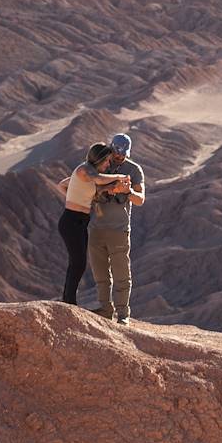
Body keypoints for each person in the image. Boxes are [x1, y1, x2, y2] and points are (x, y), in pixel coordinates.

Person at [55, 143, 129, 307]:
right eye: (107, 161)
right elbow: (98, 180)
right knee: (78, 262)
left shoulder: (88, 174)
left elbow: (65, 185)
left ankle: (68, 300)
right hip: (71, 221)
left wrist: (112, 187)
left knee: (78, 262)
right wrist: (119, 177)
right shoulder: (83, 170)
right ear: (100, 158)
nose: (108, 164)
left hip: (80, 222)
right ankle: (68, 302)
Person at [87, 132, 145, 324]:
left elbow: (140, 200)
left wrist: (127, 191)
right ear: (111, 149)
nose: (120, 156)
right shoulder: (100, 165)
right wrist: (107, 189)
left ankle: (123, 314)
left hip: (119, 230)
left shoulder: (134, 170)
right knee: (100, 273)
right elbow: (87, 189)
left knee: (121, 274)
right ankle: (105, 309)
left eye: (123, 153)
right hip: (96, 229)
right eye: (117, 152)